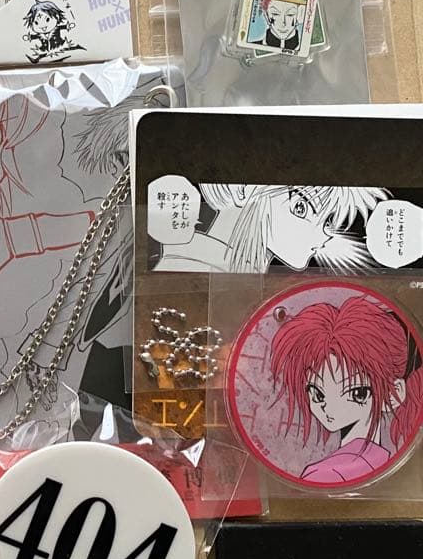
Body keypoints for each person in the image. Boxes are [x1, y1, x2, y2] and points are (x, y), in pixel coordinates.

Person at [271, 296, 423, 484]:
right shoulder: (382, 457)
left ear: (394, 394)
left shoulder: (326, 473)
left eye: (357, 394)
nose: (329, 407)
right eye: (317, 393)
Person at [153, 185, 388, 273]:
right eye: (301, 207)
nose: (324, 236)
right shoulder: (192, 269)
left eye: (328, 223)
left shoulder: (246, 280)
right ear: (243, 187)